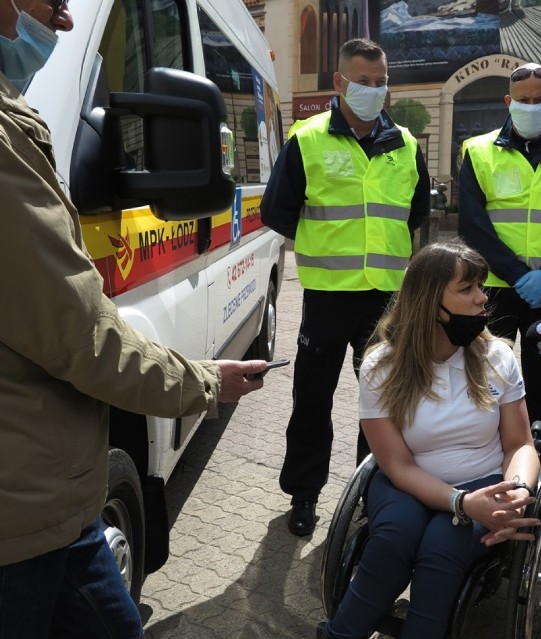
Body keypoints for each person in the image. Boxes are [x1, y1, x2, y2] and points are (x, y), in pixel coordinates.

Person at [0, 1, 267, 636]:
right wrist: (205, 384)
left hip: (48, 506)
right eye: (49, 4)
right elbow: (83, 339)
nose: (63, 23)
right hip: (21, 519)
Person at [319, 240, 541, 639]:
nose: (482, 298)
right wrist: (459, 501)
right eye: (467, 289)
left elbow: (520, 444)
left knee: (442, 545)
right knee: (393, 539)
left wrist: (516, 492)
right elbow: (397, 464)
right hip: (406, 481)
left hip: (483, 480)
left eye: (481, 287)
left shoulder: (497, 357)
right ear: (429, 301)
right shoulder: (380, 367)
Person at [260, 37, 431, 537]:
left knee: (382, 403)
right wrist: (326, 241)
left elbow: (416, 213)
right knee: (312, 399)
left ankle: (370, 497)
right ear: (339, 83)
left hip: (386, 299)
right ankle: (304, 494)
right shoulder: (308, 139)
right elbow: (277, 210)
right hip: (327, 298)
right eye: (363, 82)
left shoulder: (405, 144)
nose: (373, 91)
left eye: (381, 83)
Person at [458, 62, 541, 469]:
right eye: (523, 100)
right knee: (484, 382)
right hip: (492, 291)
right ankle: (488, 467)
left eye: (539, 100)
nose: (531, 106)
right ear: (508, 101)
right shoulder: (478, 151)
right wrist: (519, 275)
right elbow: (473, 226)